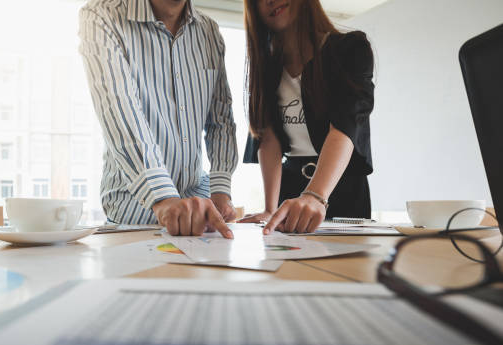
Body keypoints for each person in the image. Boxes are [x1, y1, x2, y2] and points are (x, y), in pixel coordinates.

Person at [78, 0, 238, 238]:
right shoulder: (102, 16)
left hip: (201, 218)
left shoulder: (209, 31)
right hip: (135, 217)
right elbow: (120, 110)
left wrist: (220, 191)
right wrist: (164, 199)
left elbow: (221, 119)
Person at [239, 0, 375, 234]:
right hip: (290, 189)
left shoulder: (350, 48)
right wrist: (270, 208)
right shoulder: (267, 66)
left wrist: (315, 195)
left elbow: (344, 127)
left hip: (341, 188)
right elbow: (268, 138)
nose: (270, 1)